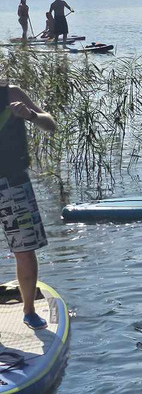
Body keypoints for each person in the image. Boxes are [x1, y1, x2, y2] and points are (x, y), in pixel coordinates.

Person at [1, 80, 57, 329]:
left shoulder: (11, 92)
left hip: (14, 182)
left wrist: (30, 114)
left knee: (23, 250)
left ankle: (29, 310)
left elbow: (51, 124)